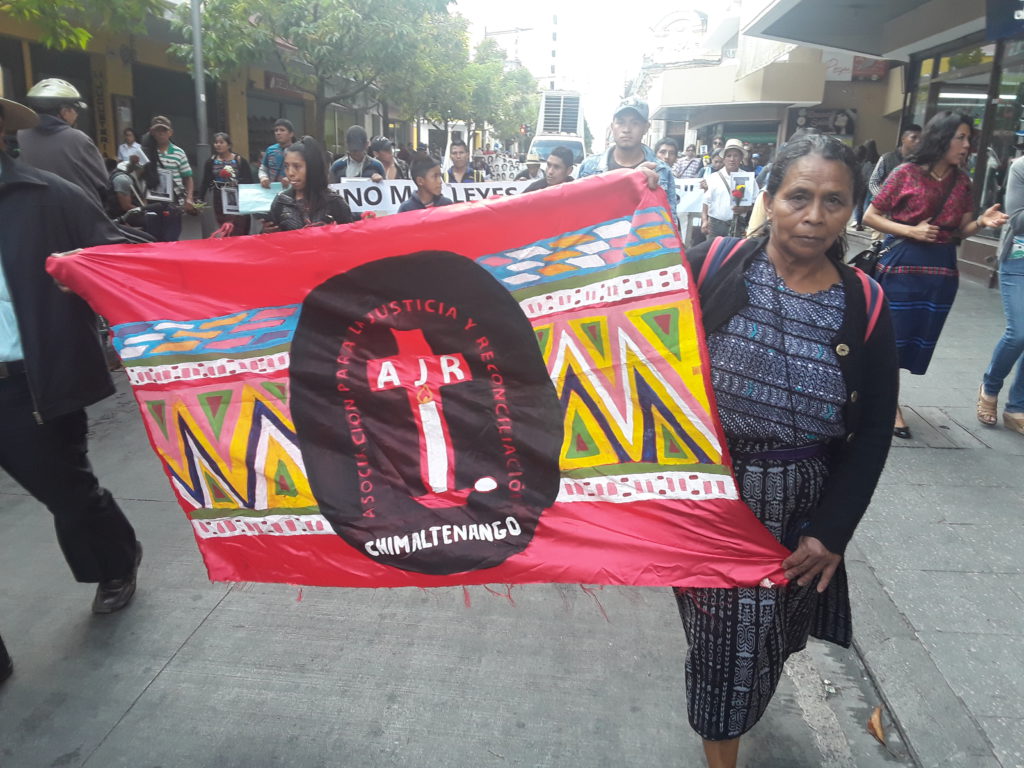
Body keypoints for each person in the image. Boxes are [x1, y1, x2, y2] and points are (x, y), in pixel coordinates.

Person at [666, 133, 899, 768]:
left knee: (764, 641)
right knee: (726, 648)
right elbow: (617, 316)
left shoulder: (864, 304)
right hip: (710, 498)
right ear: (768, 199)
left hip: (799, 505)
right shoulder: (710, 264)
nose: (815, 216)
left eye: (834, 201)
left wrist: (831, 532)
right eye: (799, 196)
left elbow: (874, 429)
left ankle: (736, 710)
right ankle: (724, 744)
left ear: (852, 210)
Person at [0, 96, 143, 643]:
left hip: (27, 386)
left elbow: (127, 262)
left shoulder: (46, 198)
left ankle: (115, 561)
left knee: (68, 493)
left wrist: (87, 280)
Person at [864, 111, 1008, 439]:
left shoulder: (963, 181)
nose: (967, 145)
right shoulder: (906, 173)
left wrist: (982, 223)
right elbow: (871, 216)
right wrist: (910, 231)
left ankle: (879, 393)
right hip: (902, 266)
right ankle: (889, 405)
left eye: (969, 138)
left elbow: (960, 231)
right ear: (941, 138)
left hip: (940, 273)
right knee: (894, 341)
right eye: (961, 137)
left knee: (914, 343)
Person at [977, 147, 1024, 435]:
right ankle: (990, 387)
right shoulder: (1020, 167)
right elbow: (1017, 221)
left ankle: (1017, 407)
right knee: (1019, 331)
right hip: (1019, 258)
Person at [16, 78, 108, 206]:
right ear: (64, 111)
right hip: (80, 216)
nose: (77, 114)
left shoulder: (22, 134)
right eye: (75, 109)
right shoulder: (78, 139)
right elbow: (103, 183)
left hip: (35, 213)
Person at [578, 96, 677, 211]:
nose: (626, 129)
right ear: (612, 127)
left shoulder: (662, 171)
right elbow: (576, 211)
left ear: (646, 128)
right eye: (620, 122)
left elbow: (669, 219)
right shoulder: (589, 167)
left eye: (635, 123)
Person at [270, 136, 356, 231]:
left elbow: (349, 239)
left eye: (297, 166)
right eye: (286, 166)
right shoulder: (281, 202)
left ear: (313, 167)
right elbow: (271, 243)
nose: (290, 173)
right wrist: (267, 232)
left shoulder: (335, 203)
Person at [142, 116, 195, 242]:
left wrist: (189, 198)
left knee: (171, 238)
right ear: (151, 132)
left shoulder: (178, 152)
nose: (160, 134)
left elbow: (188, 178)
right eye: (157, 131)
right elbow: (140, 177)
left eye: (164, 130)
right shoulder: (146, 152)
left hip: (173, 203)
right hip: (152, 202)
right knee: (152, 239)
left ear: (170, 132)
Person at [199, 132, 254, 236]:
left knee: (239, 227)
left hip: (237, 199)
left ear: (229, 145)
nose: (218, 145)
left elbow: (248, 181)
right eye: (216, 143)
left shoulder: (239, 160)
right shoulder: (211, 162)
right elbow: (205, 182)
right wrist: (199, 200)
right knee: (224, 227)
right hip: (219, 200)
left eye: (221, 142)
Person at [702, 138, 757, 237]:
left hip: (737, 226)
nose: (732, 159)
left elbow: (756, 203)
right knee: (714, 252)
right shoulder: (713, 178)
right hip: (715, 226)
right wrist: (705, 221)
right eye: (729, 156)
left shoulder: (749, 179)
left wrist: (745, 208)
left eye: (736, 156)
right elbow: (705, 202)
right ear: (724, 158)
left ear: (741, 158)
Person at [868, 123, 922, 199]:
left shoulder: (920, 163)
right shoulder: (887, 158)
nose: (918, 141)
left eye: (920, 139)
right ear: (903, 139)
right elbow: (873, 183)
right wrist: (884, 198)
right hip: (884, 206)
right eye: (914, 138)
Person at [259, 118, 295, 189]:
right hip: (271, 189)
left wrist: (291, 179)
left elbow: (304, 172)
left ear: (291, 134)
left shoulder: (298, 151)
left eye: (282, 130)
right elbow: (263, 168)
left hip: (291, 189)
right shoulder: (270, 150)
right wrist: (263, 177)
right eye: (276, 130)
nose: (278, 133)